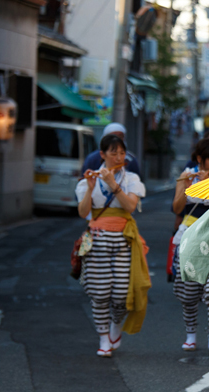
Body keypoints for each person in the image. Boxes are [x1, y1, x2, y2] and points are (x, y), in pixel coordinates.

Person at [76, 134, 151, 357]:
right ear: (102, 155)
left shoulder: (131, 179)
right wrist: (90, 188)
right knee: (99, 292)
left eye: (121, 153)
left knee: (121, 293)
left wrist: (113, 184)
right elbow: (82, 213)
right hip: (97, 238)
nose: (118, 157)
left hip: (123, 239)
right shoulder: (88, 180)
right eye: (113, 152)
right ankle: (103, 339)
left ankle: (115, 327)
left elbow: (129, 206)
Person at [172, 138, 209, 353]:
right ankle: (190, 333)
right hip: (189, 237)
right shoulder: (187, 175)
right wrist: (184, 186)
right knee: (189, 289)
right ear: (199, 159)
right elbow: (177, 207)